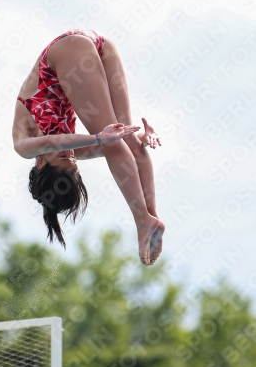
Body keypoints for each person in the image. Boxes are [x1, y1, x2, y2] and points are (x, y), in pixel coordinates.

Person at [12, 29, 165, 266]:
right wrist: (143, 137)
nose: (71, 154)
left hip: (67, 53)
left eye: (63, 157)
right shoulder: (78, 149)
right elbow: (124, 149)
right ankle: (151, 215)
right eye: (72, 161)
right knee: (128, 146)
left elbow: (56, 141)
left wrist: (99, 138)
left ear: (41, 162)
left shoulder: (24, 146)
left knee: (112, 142)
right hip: (101, 48)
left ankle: (142, 221)